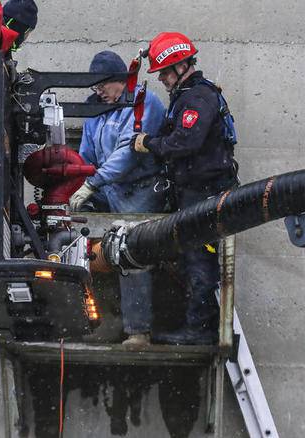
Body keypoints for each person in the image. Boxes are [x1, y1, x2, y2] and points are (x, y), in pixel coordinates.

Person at [131, 32, 238, 345]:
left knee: (199, 258)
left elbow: (185, 142)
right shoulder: (188, 96)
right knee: (190, 257)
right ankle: (198, 324)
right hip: (194, 191)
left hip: (205, 193)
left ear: (181, 66)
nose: (162, 79)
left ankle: (200, 330)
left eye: (164, 71)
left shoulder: (197, 98)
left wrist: (149, 143)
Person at [69, 50, 166, 348]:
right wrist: (76, 184)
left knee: (129, 247)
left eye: (103, 86)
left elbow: (128, 153)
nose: (99, 92)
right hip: (108, 189)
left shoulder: (143, 104)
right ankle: (95, 321)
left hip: (141, 190)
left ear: (121, 80)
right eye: (95, 88)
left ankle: (138, 332)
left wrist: (92, 183)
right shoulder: (96, 111)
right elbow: (86, 156)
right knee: (74, 239)